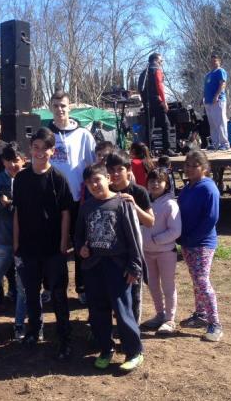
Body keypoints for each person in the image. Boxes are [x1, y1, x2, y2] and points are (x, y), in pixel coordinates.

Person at [75, 163, 145, 372]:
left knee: (123, 310)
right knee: (98, 311)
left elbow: (134, 237)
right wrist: (81, 249)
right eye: (89, 182)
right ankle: (106, 349)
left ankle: (134, 351)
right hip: (94, 266)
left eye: (97, 179)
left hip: (118, 267)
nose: (94, 185)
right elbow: (78, 236)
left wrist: (134, 266)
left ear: (108, 178)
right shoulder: (86, 207)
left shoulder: (122, 203)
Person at [14, 127, 74, 360]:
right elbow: (17, 212)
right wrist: (16, 243)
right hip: (28, 248)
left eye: (45, 149)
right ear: (31, 149)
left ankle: (63, 337)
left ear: (52, 151)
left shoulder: (58, 178)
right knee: (31, 293)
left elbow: (66, 213)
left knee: (58, 295)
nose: (39, 153)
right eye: (36, 148)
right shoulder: (21, 178)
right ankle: (33, 331)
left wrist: (62, 245)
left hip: (53, 249)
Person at [48, 90, 96, 304]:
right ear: (51, 107)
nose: (60, 109)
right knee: (52, 246)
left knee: (79, 246)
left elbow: (92, 166)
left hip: (78, 199)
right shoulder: (44, 133)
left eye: (63, 106)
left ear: (70, 108)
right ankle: (51, 287)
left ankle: (83, 287)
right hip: (51, 201)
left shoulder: (84, 134)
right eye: (56, 105)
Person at [178, 150, 223, 342]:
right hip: (187, 242)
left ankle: (215, 323)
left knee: (202, 281)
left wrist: (191, 237)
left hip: (202, 243)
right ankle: (201, 315)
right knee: (196, 280)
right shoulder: (188, 188)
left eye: (193, 165)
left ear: (204, 168)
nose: (189, 169)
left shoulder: (208, 188)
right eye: (187, 165)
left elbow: (211, 218)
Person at [0, 142, 27, 341]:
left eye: (16, 161)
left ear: (23, 160)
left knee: (22, 287)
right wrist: (8, 205)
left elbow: (28, 208)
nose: (13, 165)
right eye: (9, 161)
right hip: (1, 241)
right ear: (3, 162)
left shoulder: (28, 178)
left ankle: (19, 324)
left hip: (23, 244)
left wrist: (8, 202)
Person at [105, 149, 154, 323]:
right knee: (110, 291)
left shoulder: (138, 191)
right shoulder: (105, 190)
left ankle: (132, 331)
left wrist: (134, 205)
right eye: (111, 170)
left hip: (133, 251)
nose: (115, 174)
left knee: (134, 292)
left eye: (119, 169)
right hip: (110, 251)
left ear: (128, 170)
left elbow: (150, 221)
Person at [140, 168, 182, 334]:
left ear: (167, 183)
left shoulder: (170, 204)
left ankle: (170, 319)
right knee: (152, 284)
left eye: (159, 181)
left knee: (167, 285)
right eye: (151, 181)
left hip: (165, 252)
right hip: (147, 252)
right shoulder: (144, 202)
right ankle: (160, 314)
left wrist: (156, 240)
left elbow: (175, 231)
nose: (155, 184)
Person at [138, 52, 174, 156]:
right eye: (161, 60)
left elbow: (140, 89)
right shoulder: (156, 70)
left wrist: (145, 101)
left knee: (150, 126)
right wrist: (164, 101)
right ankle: (167, 149)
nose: (161, 62)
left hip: (147, 102)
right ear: (156, 60)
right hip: (156, 100)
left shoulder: (143, 73)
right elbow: (160, 86)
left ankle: (147, 151)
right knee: (166, 124)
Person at [203, 54, 229, 150]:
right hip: (208, 101)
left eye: (215, 61)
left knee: (220, 122)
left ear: (219, 61)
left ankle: (224, 144)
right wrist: (202, 98)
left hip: (218, 100)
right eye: (211, 61)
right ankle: (215, 143)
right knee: (212, 124)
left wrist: (217, 95)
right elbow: (206, 88)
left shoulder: (220, 71)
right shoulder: (208, 75)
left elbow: (222, 84)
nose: (213, 63)